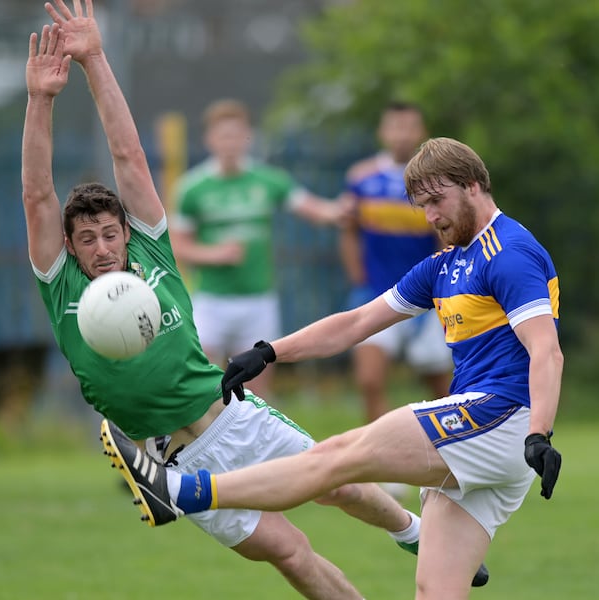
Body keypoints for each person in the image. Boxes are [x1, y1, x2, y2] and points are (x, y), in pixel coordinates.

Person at [21, 2, 487, 597]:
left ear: (127, 232)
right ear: (69, 246)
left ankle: (416, 533)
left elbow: (129, 157)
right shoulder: (62, 285)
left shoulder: (152, 255)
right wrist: (41, 99)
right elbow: (38, 194)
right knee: (291, 553)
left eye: (111, 233)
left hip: (234, 417)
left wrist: (95, 59)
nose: (102, 247)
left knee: (337, 483)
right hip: (177, 464)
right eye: (87, 239)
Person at [101, 137, 562, 599]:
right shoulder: (447, 263)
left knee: (338, 456)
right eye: (422, 206)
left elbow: (545, 350)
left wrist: (538, 433)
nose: (431, 218)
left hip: (499, 418)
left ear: (475, 185)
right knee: (435, 592)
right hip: (490, 438)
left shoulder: (510, 253)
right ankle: (181, 491)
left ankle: (179, 491)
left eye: (437, 201)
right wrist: (269, 351)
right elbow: (357, 322)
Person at [169, 99, 348, 399]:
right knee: (208, 386)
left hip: (258, 299)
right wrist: (216, 254)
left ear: (247, 136)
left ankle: (255, 446)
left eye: (236, 135)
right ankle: (213, 445)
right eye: (223, 135)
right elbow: (178, 247)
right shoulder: (192, 188)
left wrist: (343, 210)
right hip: (211, 300)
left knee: (255, 392)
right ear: (210, 139)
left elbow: (314, 208)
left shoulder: (268, 180)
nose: (230, 142)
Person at [339, 102, 452, 426]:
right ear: (382, 132)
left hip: (427, 297)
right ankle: (383, 466)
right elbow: (349, 233)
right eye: (395, 127)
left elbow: (444, 238)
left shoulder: (434, 182)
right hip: (375, 293)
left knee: (441, 387)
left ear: (422, 133)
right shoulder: (361, 178)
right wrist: (358, 279)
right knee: (369, 380)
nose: (402, 135)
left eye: (409, 127)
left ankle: (454, 457)